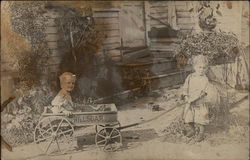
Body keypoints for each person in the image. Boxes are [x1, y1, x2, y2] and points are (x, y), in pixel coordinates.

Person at [181, 55, 219, 142]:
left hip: (200, 102)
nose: (201, 70)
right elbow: (185, 87)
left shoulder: (205, 79)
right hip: (190, 102)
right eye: (199, 67)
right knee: (188, 117)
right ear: (194, 67)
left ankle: (201, 133)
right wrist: (186, 96)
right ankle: (192, 130)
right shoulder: (190, 77)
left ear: (206, 69)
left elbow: (202, 93)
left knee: (201, 119)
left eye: (204, 68)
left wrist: (193, 99)